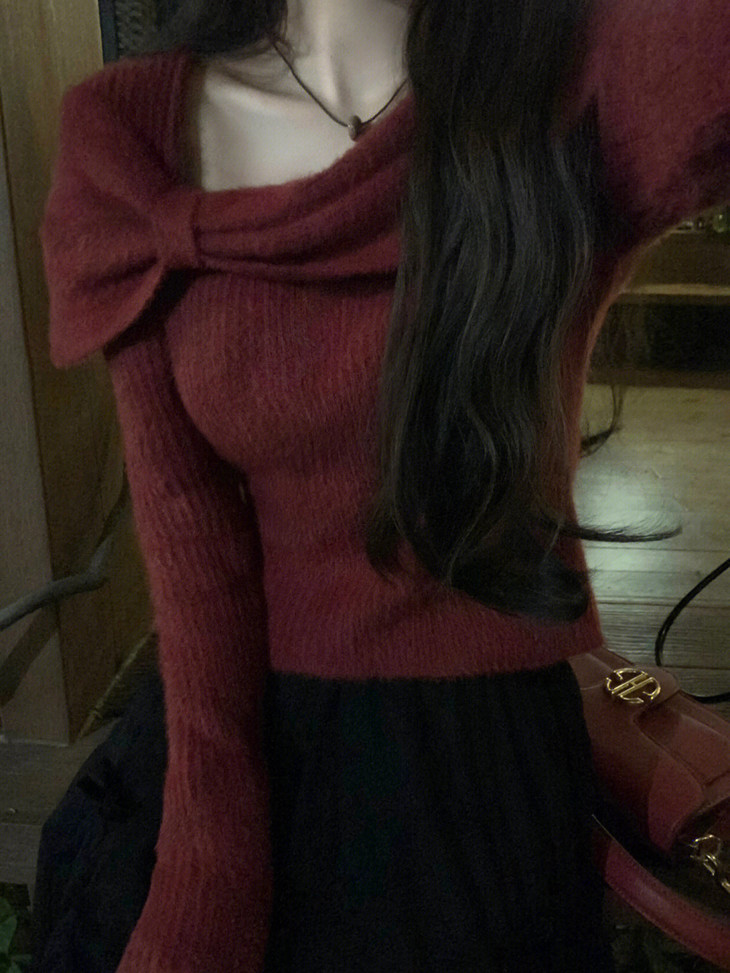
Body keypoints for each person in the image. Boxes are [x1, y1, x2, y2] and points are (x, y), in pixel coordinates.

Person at [38, 0, 730, 970]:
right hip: (228, 736)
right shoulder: (130, 138)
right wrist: (206, 871)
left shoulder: (577, 81)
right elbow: (192, 543)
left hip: (481, 771)